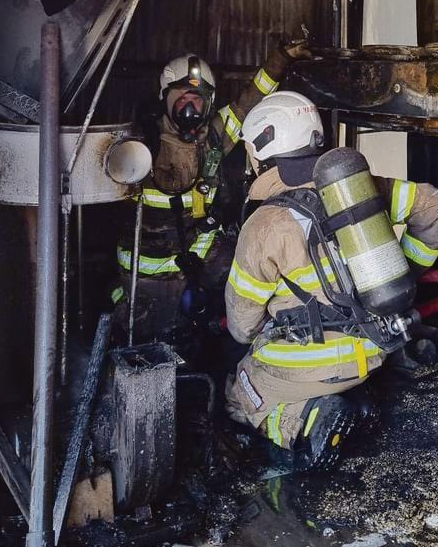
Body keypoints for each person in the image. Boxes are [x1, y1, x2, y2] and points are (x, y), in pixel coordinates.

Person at [224, 91, 438, 469]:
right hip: (377, 347)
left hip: (310, 367)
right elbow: (435, 208)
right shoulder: (360, 191)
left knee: (240, 393)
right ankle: (358, 400)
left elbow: (242, 328)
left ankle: (306, 419)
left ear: (262, 150)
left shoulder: (263, 227)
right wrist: (404, 272)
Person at [115, 40, 309, 341]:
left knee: (253, 269)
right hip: (146, 269)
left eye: (198, 100)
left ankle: (262, 333)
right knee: (146, 336)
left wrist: (280, 59)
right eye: (182, 99)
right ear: (164, 97)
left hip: (198, 256)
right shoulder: (140, 142)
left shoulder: (214, 136)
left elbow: (250, 101)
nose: (190, 109)